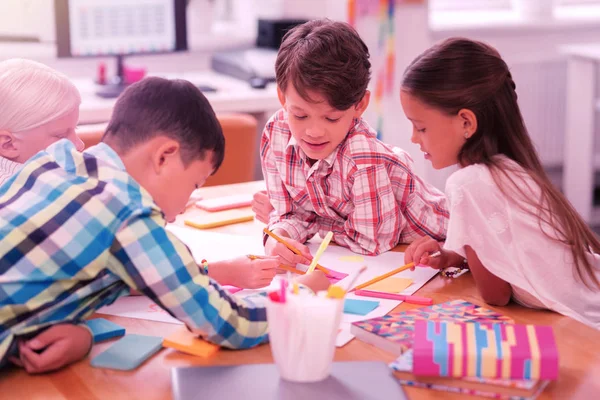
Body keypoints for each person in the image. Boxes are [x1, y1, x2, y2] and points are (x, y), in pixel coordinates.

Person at [0, 77, 330, 373]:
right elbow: (231, 323)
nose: (180, 209)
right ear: (164, 156)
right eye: (194, 185)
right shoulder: (127, 214)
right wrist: (302, 293)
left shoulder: (55, 159)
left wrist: (82, 335)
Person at [401, 38, 600, 329]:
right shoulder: (509, 170)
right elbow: (507, 252)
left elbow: (497, 295)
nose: (414, 138)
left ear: (466, 122)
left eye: (421, 127)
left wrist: (465, 248)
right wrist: (449, 257)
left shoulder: (467, 184)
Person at [260, 19, 449, 267]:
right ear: (282, 97)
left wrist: (312, 223)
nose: (314, 131)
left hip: (450, 240)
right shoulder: (276, 133)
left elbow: (372, 242)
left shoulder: (362, 157)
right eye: (300, 115)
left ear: (359, 105)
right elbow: (288, 215)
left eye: (332, 117)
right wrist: (276, 238)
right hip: (400, 255)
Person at [0, 58, 91, 374]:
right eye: (62, 134)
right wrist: (83, 338)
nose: (78, 144)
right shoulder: (33, 197)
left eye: (75, 129)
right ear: (8, 143)